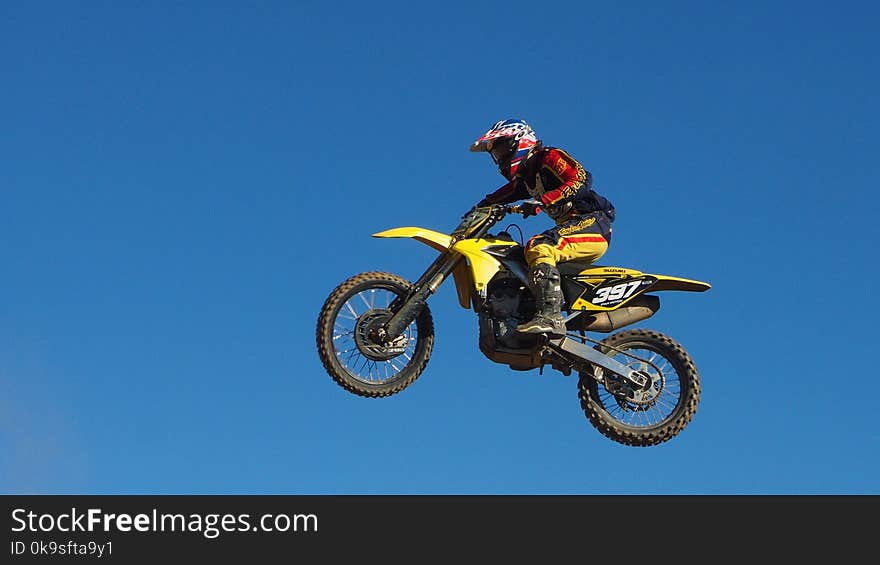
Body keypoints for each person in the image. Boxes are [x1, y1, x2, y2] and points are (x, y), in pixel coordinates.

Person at [470, 118, 615, 338]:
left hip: (593, 223)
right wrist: (479, 209)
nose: (499, 158)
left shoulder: (548, 157)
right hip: (574, 226)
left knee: (539, 246)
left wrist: (544, 200)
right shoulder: (526, 178)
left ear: (519, 142)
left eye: (500, 149)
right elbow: (504, 194)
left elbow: (581, 180)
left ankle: (550, 316)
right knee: (513, 257)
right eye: (495, 154)